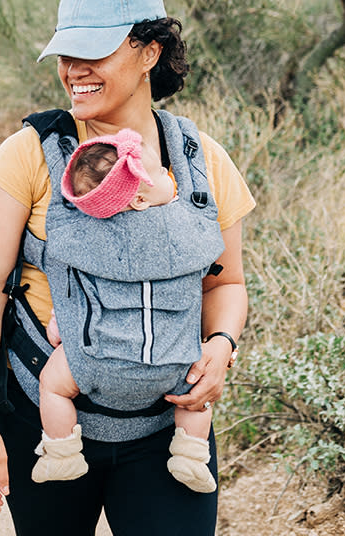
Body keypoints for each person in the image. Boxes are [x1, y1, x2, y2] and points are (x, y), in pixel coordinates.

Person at [0, 0, 255, 535]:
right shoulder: (30, 154)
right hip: (45, 425)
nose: (73, 71)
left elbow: (225, 283)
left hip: (168, 432)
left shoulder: (200, 161)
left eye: (94, 51)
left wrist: (221, 345)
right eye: (66, 53)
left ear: (149, 53)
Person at [34, 128, 219, 494]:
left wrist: (61, 328)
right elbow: (212, 267)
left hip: (98, 362)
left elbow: (70, 293)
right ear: (137, 199)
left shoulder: (82, 236)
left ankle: (62, 453)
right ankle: (191, 454)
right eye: (164, 175)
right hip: (175, 363)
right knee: (195, 400)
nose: (171, 178)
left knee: (53, 387)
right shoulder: (190, 231)